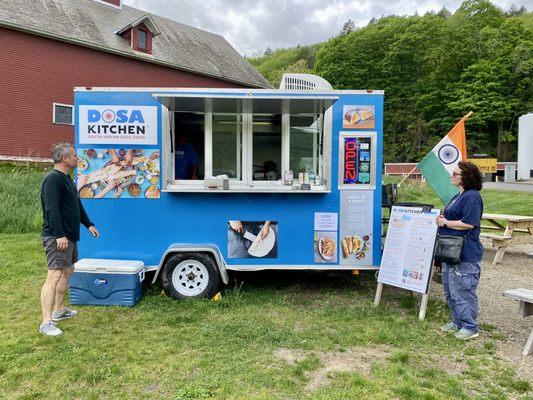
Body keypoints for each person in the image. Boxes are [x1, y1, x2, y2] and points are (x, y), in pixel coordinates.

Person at [39, 143, 99, 336]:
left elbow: (76, 205)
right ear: (64, 159)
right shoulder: (53, 179)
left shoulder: (67, 179)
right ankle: (46, 322)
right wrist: (59, 235)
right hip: (58, 237)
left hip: (69, 236)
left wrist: (88, 224)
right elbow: (51, 209)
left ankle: (59, 310)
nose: (77, 158)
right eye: (74, 156)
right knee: (54, 275)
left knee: (68, 270)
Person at [436, 161, 484, 340]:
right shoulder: (459, 195)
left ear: (466, 178)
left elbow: (469, 223)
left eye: (455, 174)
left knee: (464, 289)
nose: (451, 176)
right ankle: (457, 320)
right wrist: (442, 218)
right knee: (451, 289)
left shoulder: (472, 196)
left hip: (465, 253)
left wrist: (446, 223)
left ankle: (471, 326)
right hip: (451, 251)